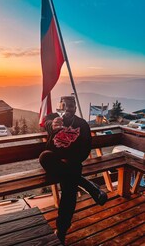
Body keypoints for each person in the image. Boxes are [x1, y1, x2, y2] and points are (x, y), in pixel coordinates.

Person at [39, 96, 107, 245]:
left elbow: (85, 149)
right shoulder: (54, 118)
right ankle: (88, 186)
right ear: (60, 106)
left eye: (71, 107)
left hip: (72, 164)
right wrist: (53, 125)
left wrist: (70, 160)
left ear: (75, 108)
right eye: (65, 106)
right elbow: (48, 123)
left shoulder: (82, 124)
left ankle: (61, 231)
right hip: (55, 161)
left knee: (69, 192)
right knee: (44, 157)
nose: (68, 109)